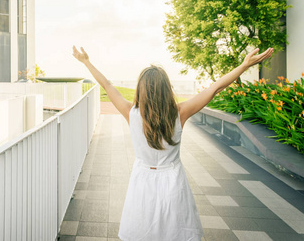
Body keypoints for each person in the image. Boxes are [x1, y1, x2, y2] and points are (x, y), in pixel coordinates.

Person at [72, 45, 273, 241]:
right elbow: (214, 88)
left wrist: (86, 62)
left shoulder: (131, 113)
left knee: (142, 231)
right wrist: (244, 66)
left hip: (142, 179)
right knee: (175, 232)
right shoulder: (179, 113)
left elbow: (107, 85)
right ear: (166, 89)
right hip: (173, 179)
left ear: (141, 90)